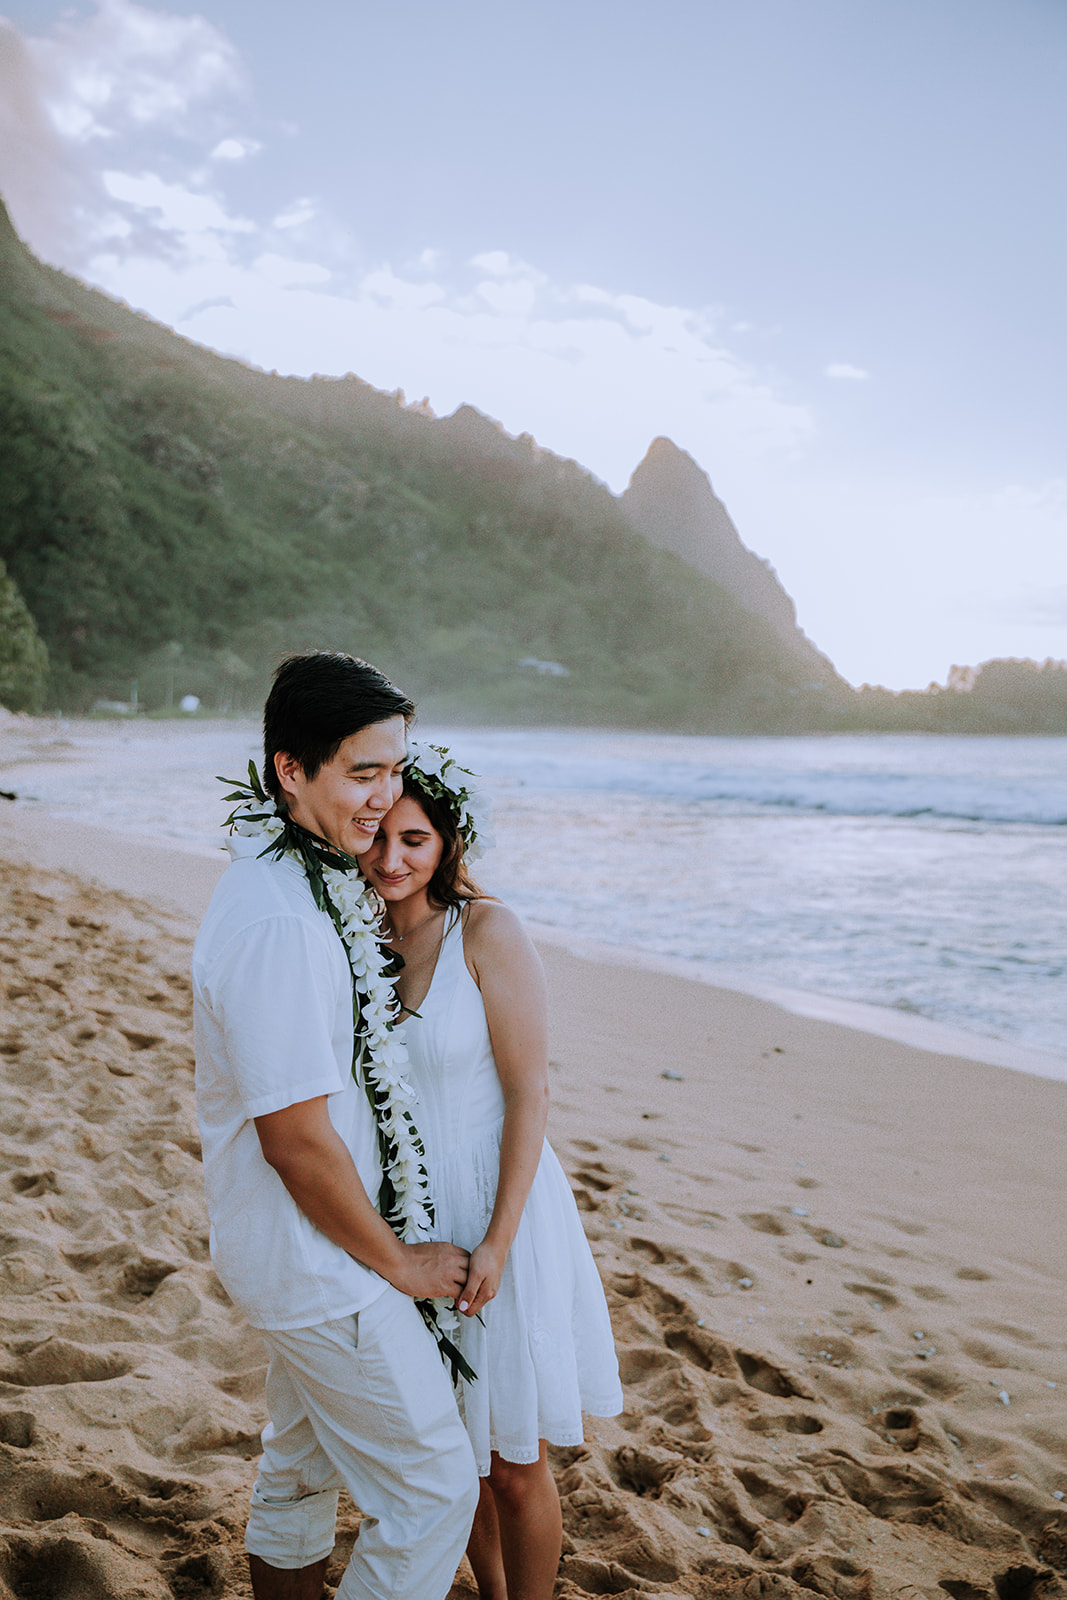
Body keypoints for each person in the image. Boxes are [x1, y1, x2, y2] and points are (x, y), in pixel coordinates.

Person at [192, 654, 479, 1600]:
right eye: (362, 772)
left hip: (304, 1249)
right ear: (289, 770)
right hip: (319, 1263)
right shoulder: (279, 921)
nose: (383, 796)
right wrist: (398, 1265)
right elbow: (295, 1137)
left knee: (302, 1465)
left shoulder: (301, 876)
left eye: (393, 769)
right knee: (434, 1492)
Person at [362, 744, 623, 1600]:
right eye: (378, 839)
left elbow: (529, 1093)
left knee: (513, 1461)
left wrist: (499, 1241)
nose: (391, 860)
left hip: (494, 1205)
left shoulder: (486, 930)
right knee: (454, 1456)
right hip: (406, 1219)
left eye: (415, 841)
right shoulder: (355, 939)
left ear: (446, 846)